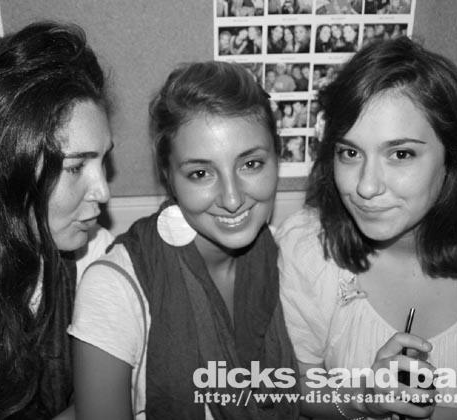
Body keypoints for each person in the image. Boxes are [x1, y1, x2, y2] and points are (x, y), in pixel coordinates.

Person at [70, 61, 300, 420]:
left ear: (277, 158)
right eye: (201, 173)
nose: (232, 198)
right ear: (169, 177)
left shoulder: (288, 258)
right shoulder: (114, 288)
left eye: (251, 164)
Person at [277, 37, 457, 419]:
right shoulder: (308, 250)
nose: (367, 186)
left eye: (400, 154)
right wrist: (363, 400)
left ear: (452, 158)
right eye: (350, 153)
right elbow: (292, 388)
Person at [0, 21, 114, 419]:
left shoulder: (93, 259)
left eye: (103, 161)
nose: (103, 191)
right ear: (2, 169)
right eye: (75, 167)